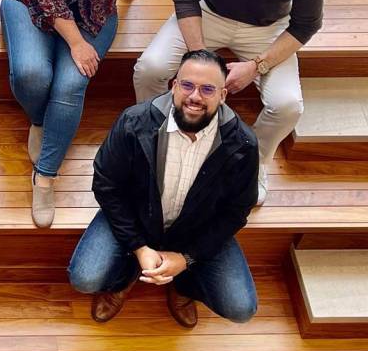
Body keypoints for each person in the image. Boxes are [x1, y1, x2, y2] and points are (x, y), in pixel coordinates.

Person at [134, 0, 327, 207]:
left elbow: (305, 24)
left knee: (287, 106)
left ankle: (252, 162)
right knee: (149, 69)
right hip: (208, 14)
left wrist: (256, 66)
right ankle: (152, 137)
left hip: (267, 29)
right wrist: (200, 60)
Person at [2, 0, 150, 228]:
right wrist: (77, 44)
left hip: (94, 13)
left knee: (70, 84)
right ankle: (40, 120)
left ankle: (45, 176)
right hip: (32, 2)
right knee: (32, 75)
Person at [69, 49, 259, 328]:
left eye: (207, 89)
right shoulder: (133, 122)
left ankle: (183, 287)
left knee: (241, 308)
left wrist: (186, 258)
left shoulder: (244, 144)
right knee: (85, 278)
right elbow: (106, 184)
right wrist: (138, 247)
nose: (195, 96)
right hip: (137, 218)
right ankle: (125, 277)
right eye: (187, 85)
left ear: (223, 95)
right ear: (173, 86)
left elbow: (236, 211)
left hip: (195, 229)